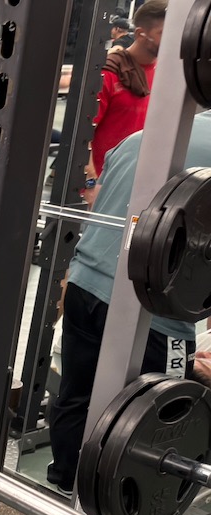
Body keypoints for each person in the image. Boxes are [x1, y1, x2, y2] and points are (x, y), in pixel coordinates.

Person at [45, 111, 210, 495]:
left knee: (76, 394)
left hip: (86, 285)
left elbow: (99, 208)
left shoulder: (142, 136)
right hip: (156, 308)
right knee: (163, 412)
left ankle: (64, 482)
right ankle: (125, 512)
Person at [84, 0, 166, 205]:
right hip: (106, 184)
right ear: (140, 34)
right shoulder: (110, 73)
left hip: (144, 184)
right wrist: (91, 185)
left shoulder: (167, 74)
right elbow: (84, 137)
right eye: (163, 33)